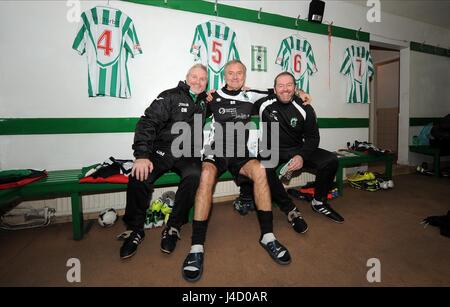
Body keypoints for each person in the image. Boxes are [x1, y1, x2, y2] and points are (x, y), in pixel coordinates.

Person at [181, 60, 292, 282]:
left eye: (239, 73)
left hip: (241, 153)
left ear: (244, 76)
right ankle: (196, 246)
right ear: (224, 75)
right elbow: (188, 102)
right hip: (217, 150)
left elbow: (279, 92)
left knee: (261, 169)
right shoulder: (211, 97)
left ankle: (268, 235)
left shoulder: (251, 95)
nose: (234, 77)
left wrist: (302, 94)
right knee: (206, 174)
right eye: (230, 73)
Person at [120, 64, 208, 259]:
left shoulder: (204, 102)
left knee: (194, 174)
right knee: (139, 176)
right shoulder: (170, 96)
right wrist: (142, 156)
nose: (198, 81)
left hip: (187, 153)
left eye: (203, 79)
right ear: (186, 77)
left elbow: (227, 98)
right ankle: (135, 230)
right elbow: (147, 122)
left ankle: (173, 226)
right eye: (194, 77)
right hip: (161, 151)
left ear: (206, 82)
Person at [245, 71, 344, 225]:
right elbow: (236, 95)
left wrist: (302, 156)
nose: (285, 89)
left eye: (289, 85)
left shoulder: (305, 108)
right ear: (275, 89)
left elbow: (313, 138)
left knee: (330, 160)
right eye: (281, 86)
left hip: (296, 149)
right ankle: (290, 209)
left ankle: (319, 202)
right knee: (264, 169)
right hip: (270, 150)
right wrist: (209, 95)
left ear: (295, 87)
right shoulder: (264, 103)